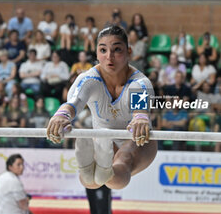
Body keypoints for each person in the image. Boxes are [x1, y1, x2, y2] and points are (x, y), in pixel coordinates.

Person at [46, 25, 157, 190]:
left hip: (136, 140)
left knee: (123, 159)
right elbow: (72, 103)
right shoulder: (88, 79)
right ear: (97, 53)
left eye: (117, 50)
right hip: (104, 139)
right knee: (90, 182)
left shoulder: (139, 84)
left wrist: (140, 119)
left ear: (129, 51)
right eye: (103, 50)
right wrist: (60, 116)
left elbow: (140, 112)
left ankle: (104, 168)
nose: (109, 57)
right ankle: (97, 167)